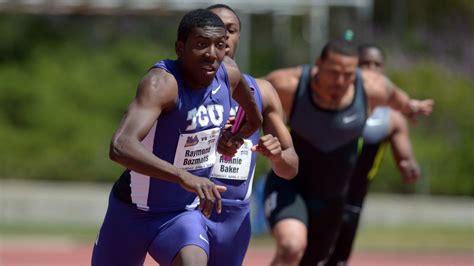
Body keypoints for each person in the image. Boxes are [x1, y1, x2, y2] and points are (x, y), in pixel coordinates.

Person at [91, 9, 263, 266]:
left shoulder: (229, 74)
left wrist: (234, 137)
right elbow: (120, 146)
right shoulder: (162, 84)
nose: (211, 54)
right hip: (131, 211)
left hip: (181, 215)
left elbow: (255, 119)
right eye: (201, 45)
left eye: (219, 45)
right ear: (180, 47)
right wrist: (183, 176)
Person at [263, 38, 434, 265]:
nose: (341, 81)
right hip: (291, 185)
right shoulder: (289, 85)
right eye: (333, 73)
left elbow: (397, 98)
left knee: (314, 261)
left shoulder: (372, 87)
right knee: (291, 246)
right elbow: (250, 94)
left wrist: (411, 107)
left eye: (349, 74)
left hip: (333, 197)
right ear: (318, 64)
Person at [203, 4, 299, 266]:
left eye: (230, 30)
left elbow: (290, 167)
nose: (223, 37)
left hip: (235, 217)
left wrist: (276, 156)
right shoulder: (178, 87)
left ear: (238, 37)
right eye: (215, 29)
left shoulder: (263, 92)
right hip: (190, 208)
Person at [327, 44, 421, 265]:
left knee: (338, 260)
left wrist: (410, 169)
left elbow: (406, 162)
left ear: (383, 70)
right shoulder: (331, 103)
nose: (370, 68)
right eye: (364, 64)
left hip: (354, 198)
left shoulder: (393, 118)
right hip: (321, 193)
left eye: (376, 64)